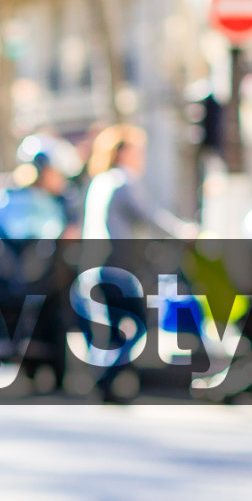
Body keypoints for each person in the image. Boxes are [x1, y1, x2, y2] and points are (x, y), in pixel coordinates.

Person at [79, 124, 197, 400]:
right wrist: (185, 233)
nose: (141, 158)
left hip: (93, 267)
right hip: (117, 266)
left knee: (112, 327)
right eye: (138, 151)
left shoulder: (99, 181)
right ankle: (105, 376)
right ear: (123, 153)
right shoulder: (123, 180)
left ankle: (107, 382)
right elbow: (150, 215)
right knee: (138, 323)